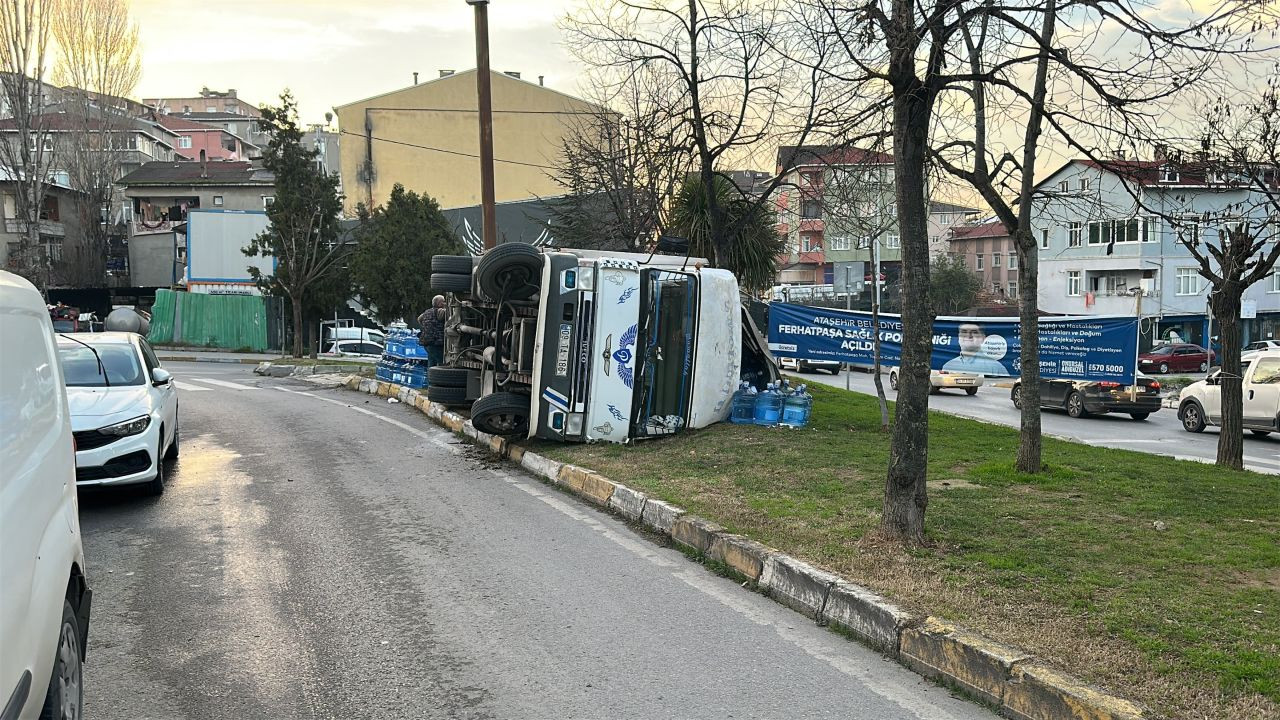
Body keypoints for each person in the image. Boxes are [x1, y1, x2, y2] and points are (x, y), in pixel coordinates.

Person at [941, 322, 1010, 376]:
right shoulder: (948, 366)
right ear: (958, 337)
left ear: (983, 338)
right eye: (964, 332)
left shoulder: (996, 367)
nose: (968, 336)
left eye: (974, 332)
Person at [417, 295, 446, 368]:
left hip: (426, 343)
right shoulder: (440, 311)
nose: (445, 303)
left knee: (431, 364)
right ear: (439, 303)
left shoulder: (426, 312)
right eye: (444, 301)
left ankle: (430, 379)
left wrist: (427, 327)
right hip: (436, 343)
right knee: (442, 364)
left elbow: (419, 319)